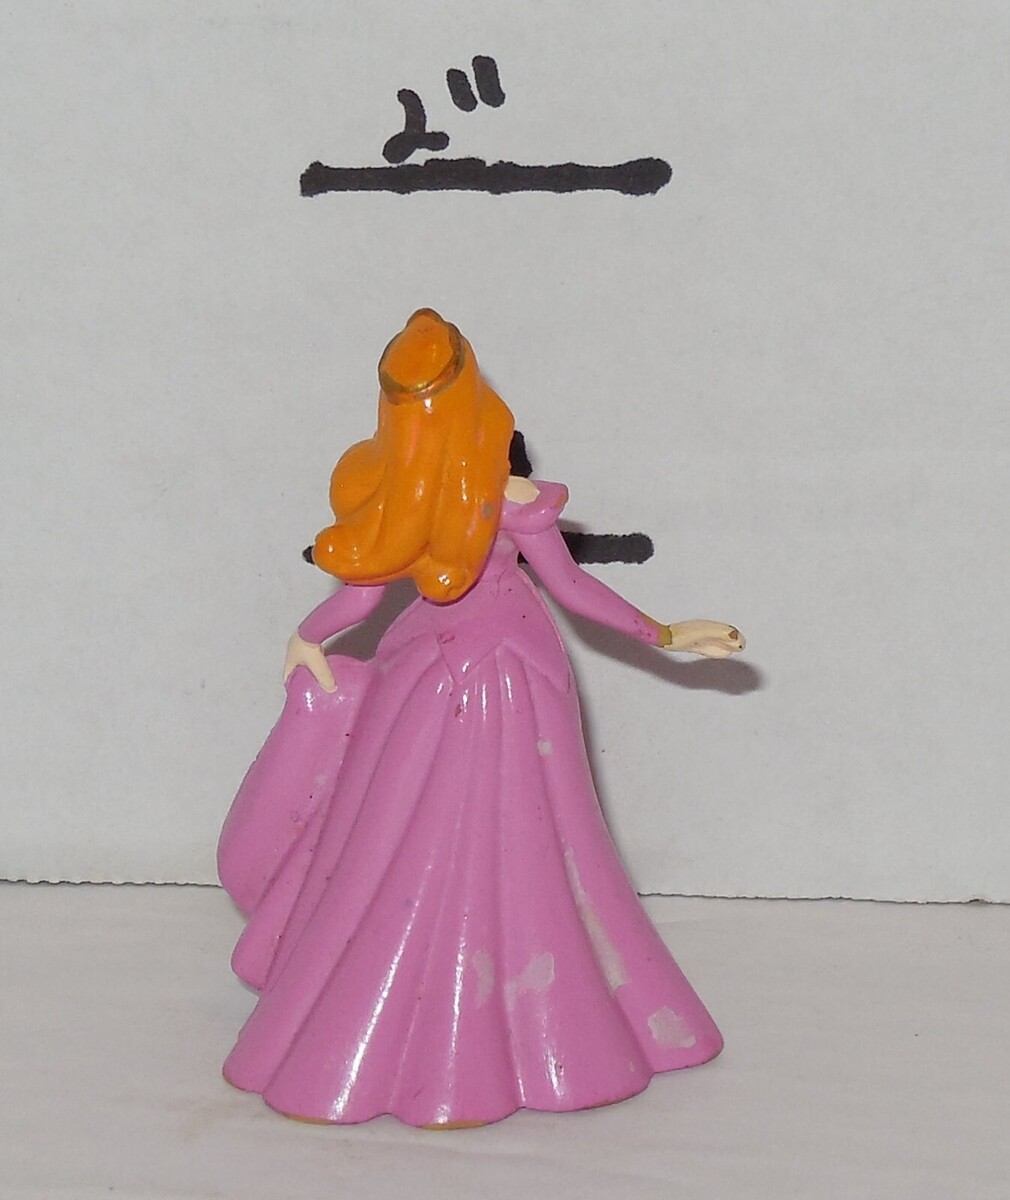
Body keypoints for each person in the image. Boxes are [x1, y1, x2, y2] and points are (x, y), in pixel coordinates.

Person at [218, 309, 744, 1127]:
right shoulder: (479, 498)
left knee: (497, 838)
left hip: (460, 679)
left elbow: (368, 601)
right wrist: (666, 634)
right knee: (421, 840)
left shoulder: (443, 500)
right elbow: (566, 589)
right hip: (483, 678)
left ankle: (496, 1014)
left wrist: (668, 634)